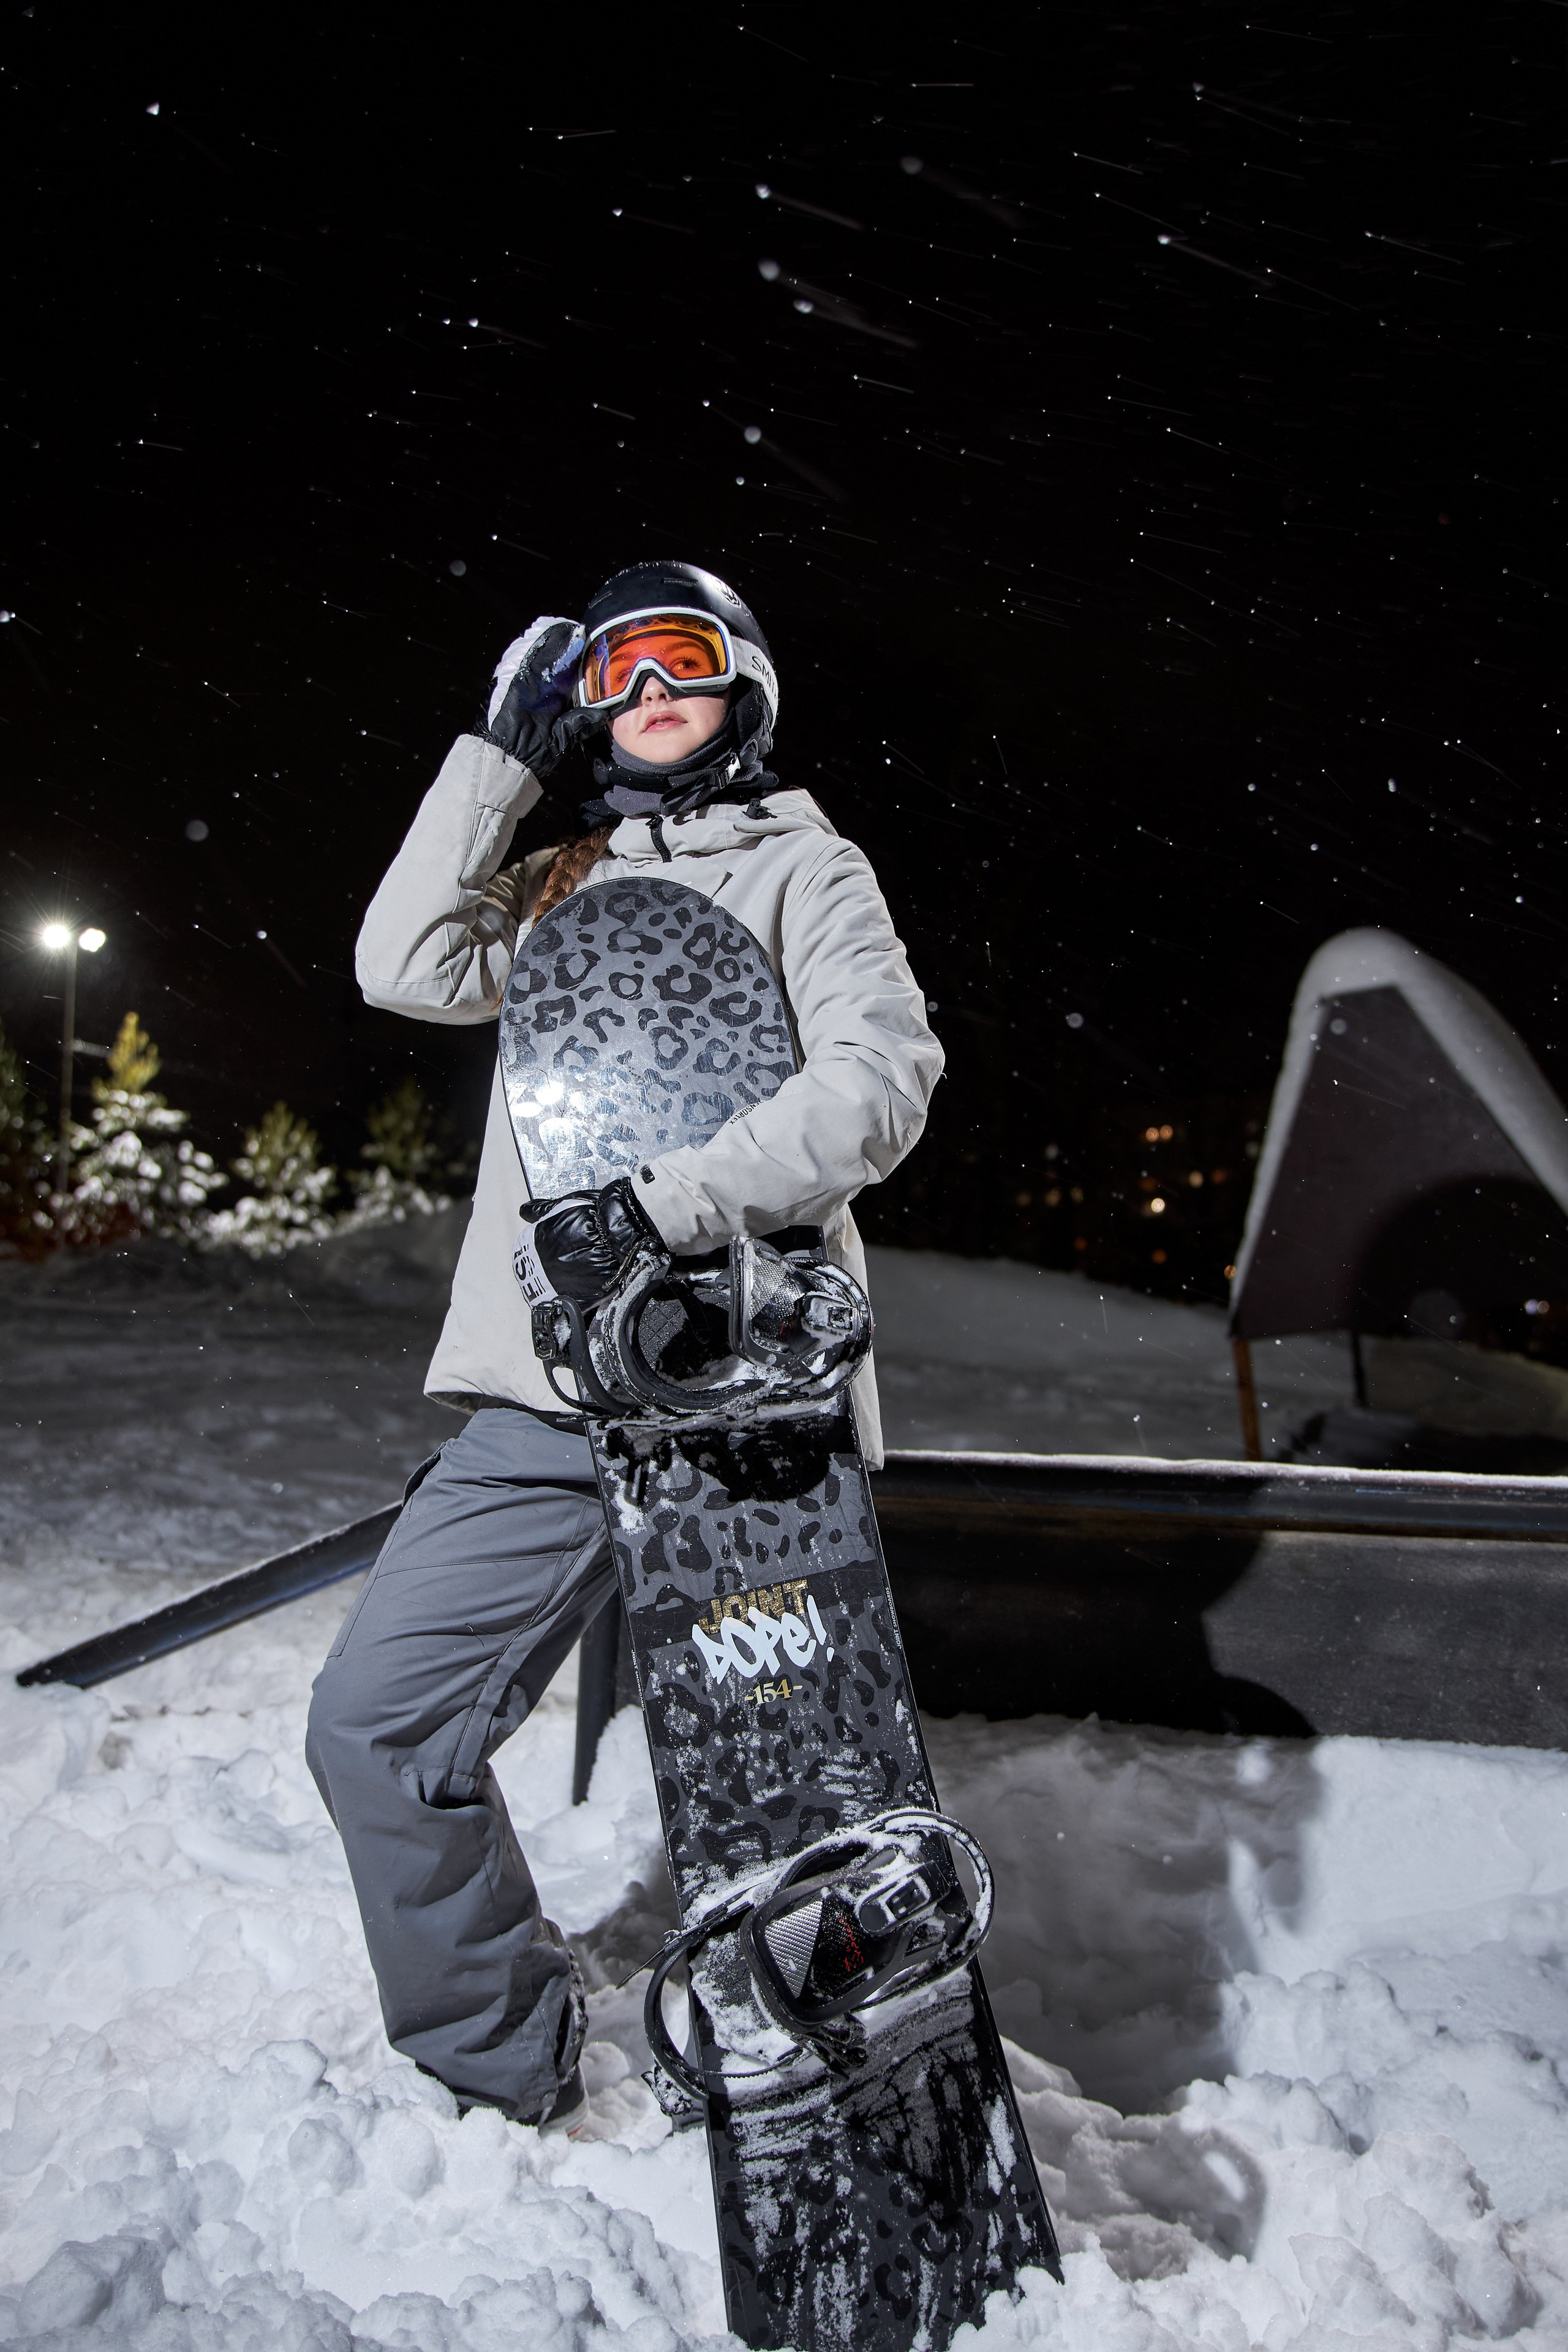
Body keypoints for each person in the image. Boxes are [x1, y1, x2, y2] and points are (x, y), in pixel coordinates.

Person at [306, 560, 943, 2135]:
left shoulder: (809, 866)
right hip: (549, 1391)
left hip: (743, 1399)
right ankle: (494, 2067)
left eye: (683, 660)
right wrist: (497, 761)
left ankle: (834, 2078)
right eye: (613, 675)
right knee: (376, 1726)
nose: (650, 693)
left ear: (743, 687)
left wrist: (658, 1209)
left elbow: (877, 1083)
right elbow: (404, 964)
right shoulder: (557, 884)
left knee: (783, 1784)